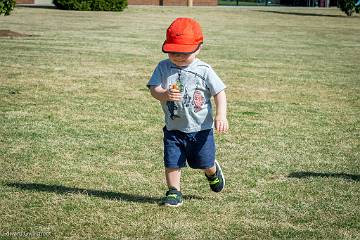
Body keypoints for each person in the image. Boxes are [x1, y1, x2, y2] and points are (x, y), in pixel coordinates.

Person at [147, 18, 229, 207]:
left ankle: (212, 171)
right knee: (172, 160)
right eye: (173, 52)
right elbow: (153, 89)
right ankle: (174, 191)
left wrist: (220, 115)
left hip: (201, 129)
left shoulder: (204, 70)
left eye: (184, 53)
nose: (178, 56)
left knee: (204, 162)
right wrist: (164, 93)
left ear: (199, 48)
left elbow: (219, 92)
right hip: (173, 127)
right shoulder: (163, 67)